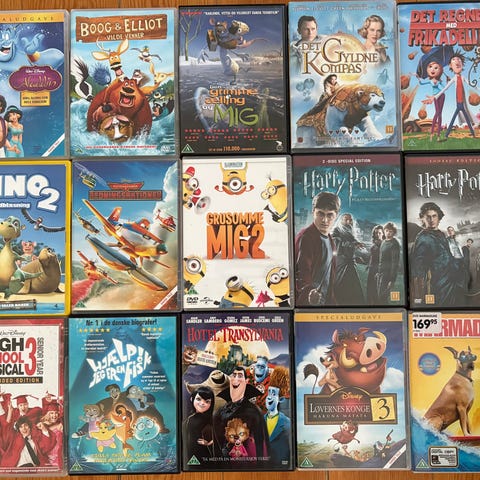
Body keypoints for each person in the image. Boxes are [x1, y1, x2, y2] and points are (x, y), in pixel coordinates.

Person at [410, 202, 467, 306]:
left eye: (434, 216)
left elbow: (449, 255)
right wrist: (418, 298)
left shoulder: (441, 234)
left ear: (439, 217)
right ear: (422, 218)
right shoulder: (422, 238)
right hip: (438, 286)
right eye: (428, 217)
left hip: (452, 282)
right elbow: (418, 271)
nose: (431, 220)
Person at [213, 366, 269, 465]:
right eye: (234, 375)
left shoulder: (254, 412)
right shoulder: (219, 411)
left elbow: (261, 444)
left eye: (240, 376)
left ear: (246, 381)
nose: (236, 378)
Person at [294, 192, 340, 306]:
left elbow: (329, 277)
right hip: (308, 304)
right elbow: (301, 272)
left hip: (326, 303)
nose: (325, 220)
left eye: (330, 215)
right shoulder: (306, 237)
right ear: (313, 211)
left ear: (336, 215)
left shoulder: (330, 240)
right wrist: (309, 292)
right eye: (320, 213)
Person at [426, 52, 476, 139]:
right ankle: (447, 134)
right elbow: (445, 88)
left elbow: (471, 84)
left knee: (464, 119)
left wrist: (478, 88)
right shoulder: (454, 79)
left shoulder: (463, 77)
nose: (456, 61)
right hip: (458, 103)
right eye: (454, 60)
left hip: (461, 103)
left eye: (458, 60)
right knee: (455, 119)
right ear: (450, 66)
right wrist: (436, 96)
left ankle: (448, 134)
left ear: (462, 65)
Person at [332, 213, 365, 305]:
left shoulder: (350, 231)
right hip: (341, 261)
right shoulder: (337, 230)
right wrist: (352, 244)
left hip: (350, 261)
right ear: (341, 220)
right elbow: (335, 242)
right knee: (340, 282)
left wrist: (358, 244)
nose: (348, 221)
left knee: (353, 284)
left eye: (350, 220)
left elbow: (353, 242)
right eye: (346, 219)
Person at [184, 385, 215, 465]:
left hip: (203, 453)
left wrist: (209, 443)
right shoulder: (189, 418)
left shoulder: (212, 419)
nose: (202, 403)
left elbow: (221, 437)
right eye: (198, 399)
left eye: (207, 401)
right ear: (192, 399)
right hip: (189, 450)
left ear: (211, 404)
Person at [376, 222, 401, 303]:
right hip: (380, 273)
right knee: (379, 296)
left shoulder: (394, 244)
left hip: (387, 274)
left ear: (394, 232)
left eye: (390, 231)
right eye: (386, 230)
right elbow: (381, 259)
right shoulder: (383, 242)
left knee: (382, 297)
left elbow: (395, 263)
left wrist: (392, 280)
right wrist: (378, 272)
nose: (388, 233)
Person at [367, 225, 384, 304]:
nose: (377, 235)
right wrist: (369, 265)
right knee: (370, 290)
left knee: (377, 291)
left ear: (383, 233)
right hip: (371, 270)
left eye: (379, 233)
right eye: (376, 233)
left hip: (379, 270)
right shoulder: (374, 245)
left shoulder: (384, 245)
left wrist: (379, 272)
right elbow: (372, 256)